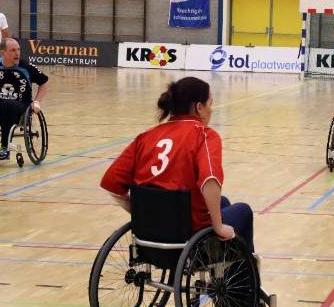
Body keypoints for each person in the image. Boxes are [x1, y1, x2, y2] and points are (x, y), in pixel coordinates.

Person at [100, 77, 256, 251]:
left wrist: (140, 215)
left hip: (149, 233)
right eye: (210, 104)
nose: (211, 109)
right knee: (244, 211)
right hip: (189, 234)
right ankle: (240, 268)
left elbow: (111, 184)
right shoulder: (204, 135)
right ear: (199, 107)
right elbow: (210, 180)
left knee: (223, 202)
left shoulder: (146, 136)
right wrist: (218, 227)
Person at [0, 38, 48, 158]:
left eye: (18, 50)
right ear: (3, 53)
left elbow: (44, 83)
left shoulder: (26, 67)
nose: (17, 53)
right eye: (13, 50)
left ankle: (5, 146)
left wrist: (36, 101)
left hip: (20, 108)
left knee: (9, 104)